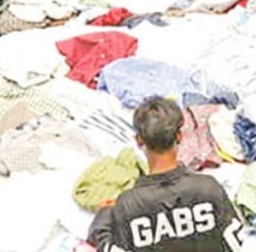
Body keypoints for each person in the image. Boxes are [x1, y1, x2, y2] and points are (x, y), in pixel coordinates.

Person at [87, 97, 243, 252]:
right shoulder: (208, 188)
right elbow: (237, 244)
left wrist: (104, 215)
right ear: (179, 136)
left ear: (139, 140)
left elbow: (104, 245)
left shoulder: (128, 205)